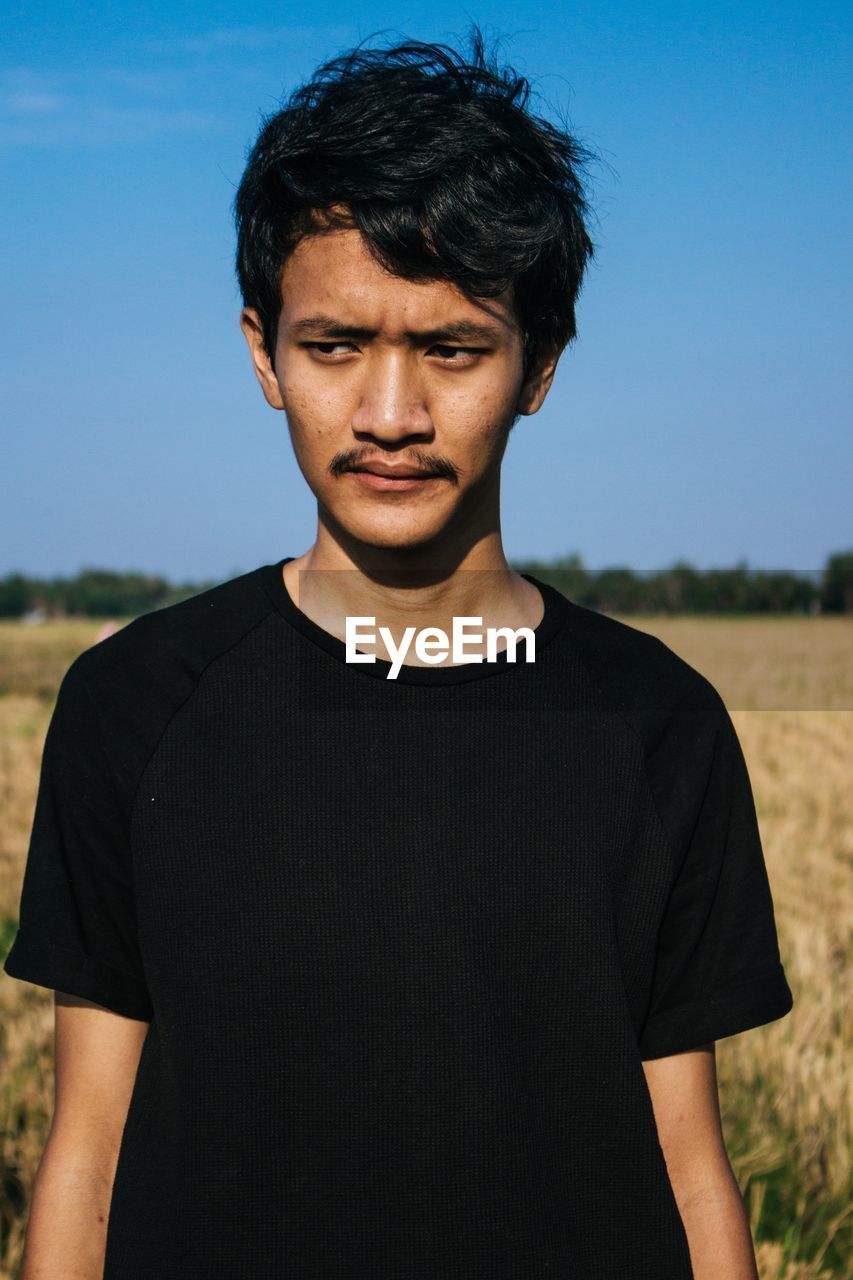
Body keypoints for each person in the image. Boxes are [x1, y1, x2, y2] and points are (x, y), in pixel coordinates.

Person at [4, 28, 793, 1279]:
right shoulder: (134, 703)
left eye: (452, 348)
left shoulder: (657, 721)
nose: (389, 414)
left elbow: (689, 1166)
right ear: (263, 351)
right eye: (334, 346)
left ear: (541, 363)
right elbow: (85, 1156)